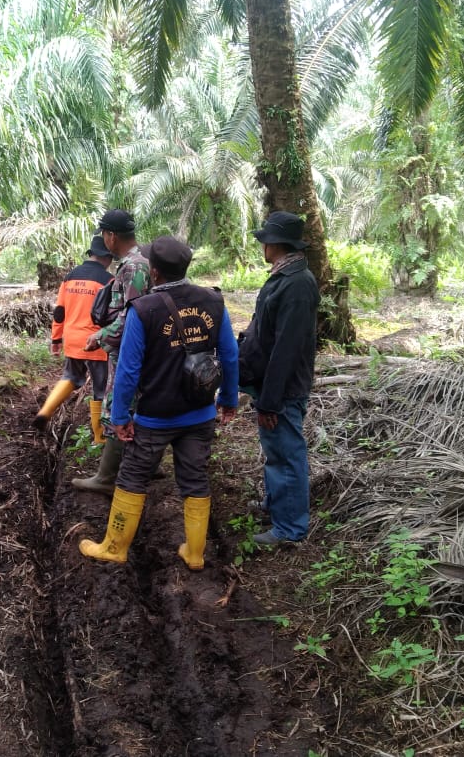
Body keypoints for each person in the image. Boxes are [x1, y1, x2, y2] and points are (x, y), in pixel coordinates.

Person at [78, 235, 238, 570]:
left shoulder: (144, 309)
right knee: (195, 479)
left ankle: (114, 547)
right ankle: (195, 554)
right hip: (199, 413)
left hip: (154, 417)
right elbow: (230, 355)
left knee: (132, 477)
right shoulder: (213, 301)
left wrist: (120, 415)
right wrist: (228, 398)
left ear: (153, 272)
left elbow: (129, 369)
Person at [238, 211, 319, 546]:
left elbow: (286, 349)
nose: (263, 247)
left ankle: (289, 529)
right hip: (273, 384)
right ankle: (277, 506)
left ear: (274, 244)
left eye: (265, 242)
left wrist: (270, 399)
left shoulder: (297, 285)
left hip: (283, 389)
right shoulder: (286, 276)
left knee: (286, 454)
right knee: (276, 451)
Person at [71, 209, 151, 494]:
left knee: (120, 403)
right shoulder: (136, 262)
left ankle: (106, 478)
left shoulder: (133, 267)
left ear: (111, 236)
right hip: (129, 347)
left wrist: (100, 335)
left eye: (104, 234)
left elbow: (134, 316)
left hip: (129, 350)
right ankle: (141, 466)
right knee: (133, 403)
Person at [33, 233, 114, 437]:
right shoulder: (108, 279)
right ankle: (99, 436)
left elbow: (59, 311)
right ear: (107, 257)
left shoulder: (70, 277)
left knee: (71, 376)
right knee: (100, 388)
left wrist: (55, 339)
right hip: (95, 342)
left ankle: (46, 411)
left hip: (72, 339)